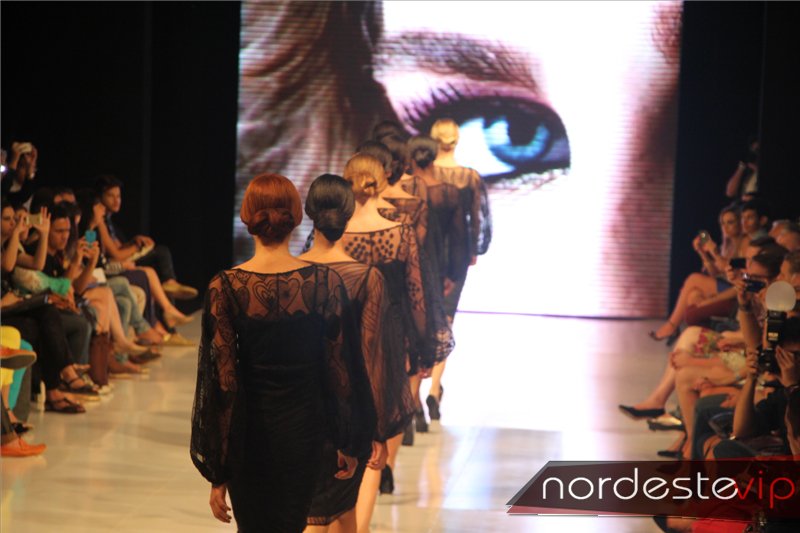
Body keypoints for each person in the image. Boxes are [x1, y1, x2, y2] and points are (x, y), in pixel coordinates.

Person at [191, 173, 374, 533]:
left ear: (248, 217)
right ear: (295, 217)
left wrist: (219, 470)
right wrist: (346, 440)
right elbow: (340, 370)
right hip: (305, 436)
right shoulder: (324, 284)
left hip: (249, 439)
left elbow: (224, 384)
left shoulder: (225, 287)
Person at [300, 173, 414, 533]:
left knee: (312, 512)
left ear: (309, 213)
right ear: (347, 215)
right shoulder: (365, 278)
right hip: (348, 413)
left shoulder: (289, 276)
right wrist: (378, 429)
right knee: (341, 511)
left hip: (297, 411)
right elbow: (372, 357)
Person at [338, 154, 453, 490]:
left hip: (345, 333)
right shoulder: (400, 233)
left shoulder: (336, 233)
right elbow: (415, 291)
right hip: (392, 331)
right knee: (389, 404)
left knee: (349, 405)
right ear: (380, 181)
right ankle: (385, 467)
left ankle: (355, 474)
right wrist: (424, 347)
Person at [94, 174, 197, 299]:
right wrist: (137, 247)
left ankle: (170, 293)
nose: (116, 201)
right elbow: (112, 255)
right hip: (108, 270)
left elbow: (113, 248)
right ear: (98, 199)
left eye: (118, 196)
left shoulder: (106, 222)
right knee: (157, 259)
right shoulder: (95, 226)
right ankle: (169, 294)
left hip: (111, 267)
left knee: (158, 267)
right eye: (111, 196)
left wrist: (133, 242)